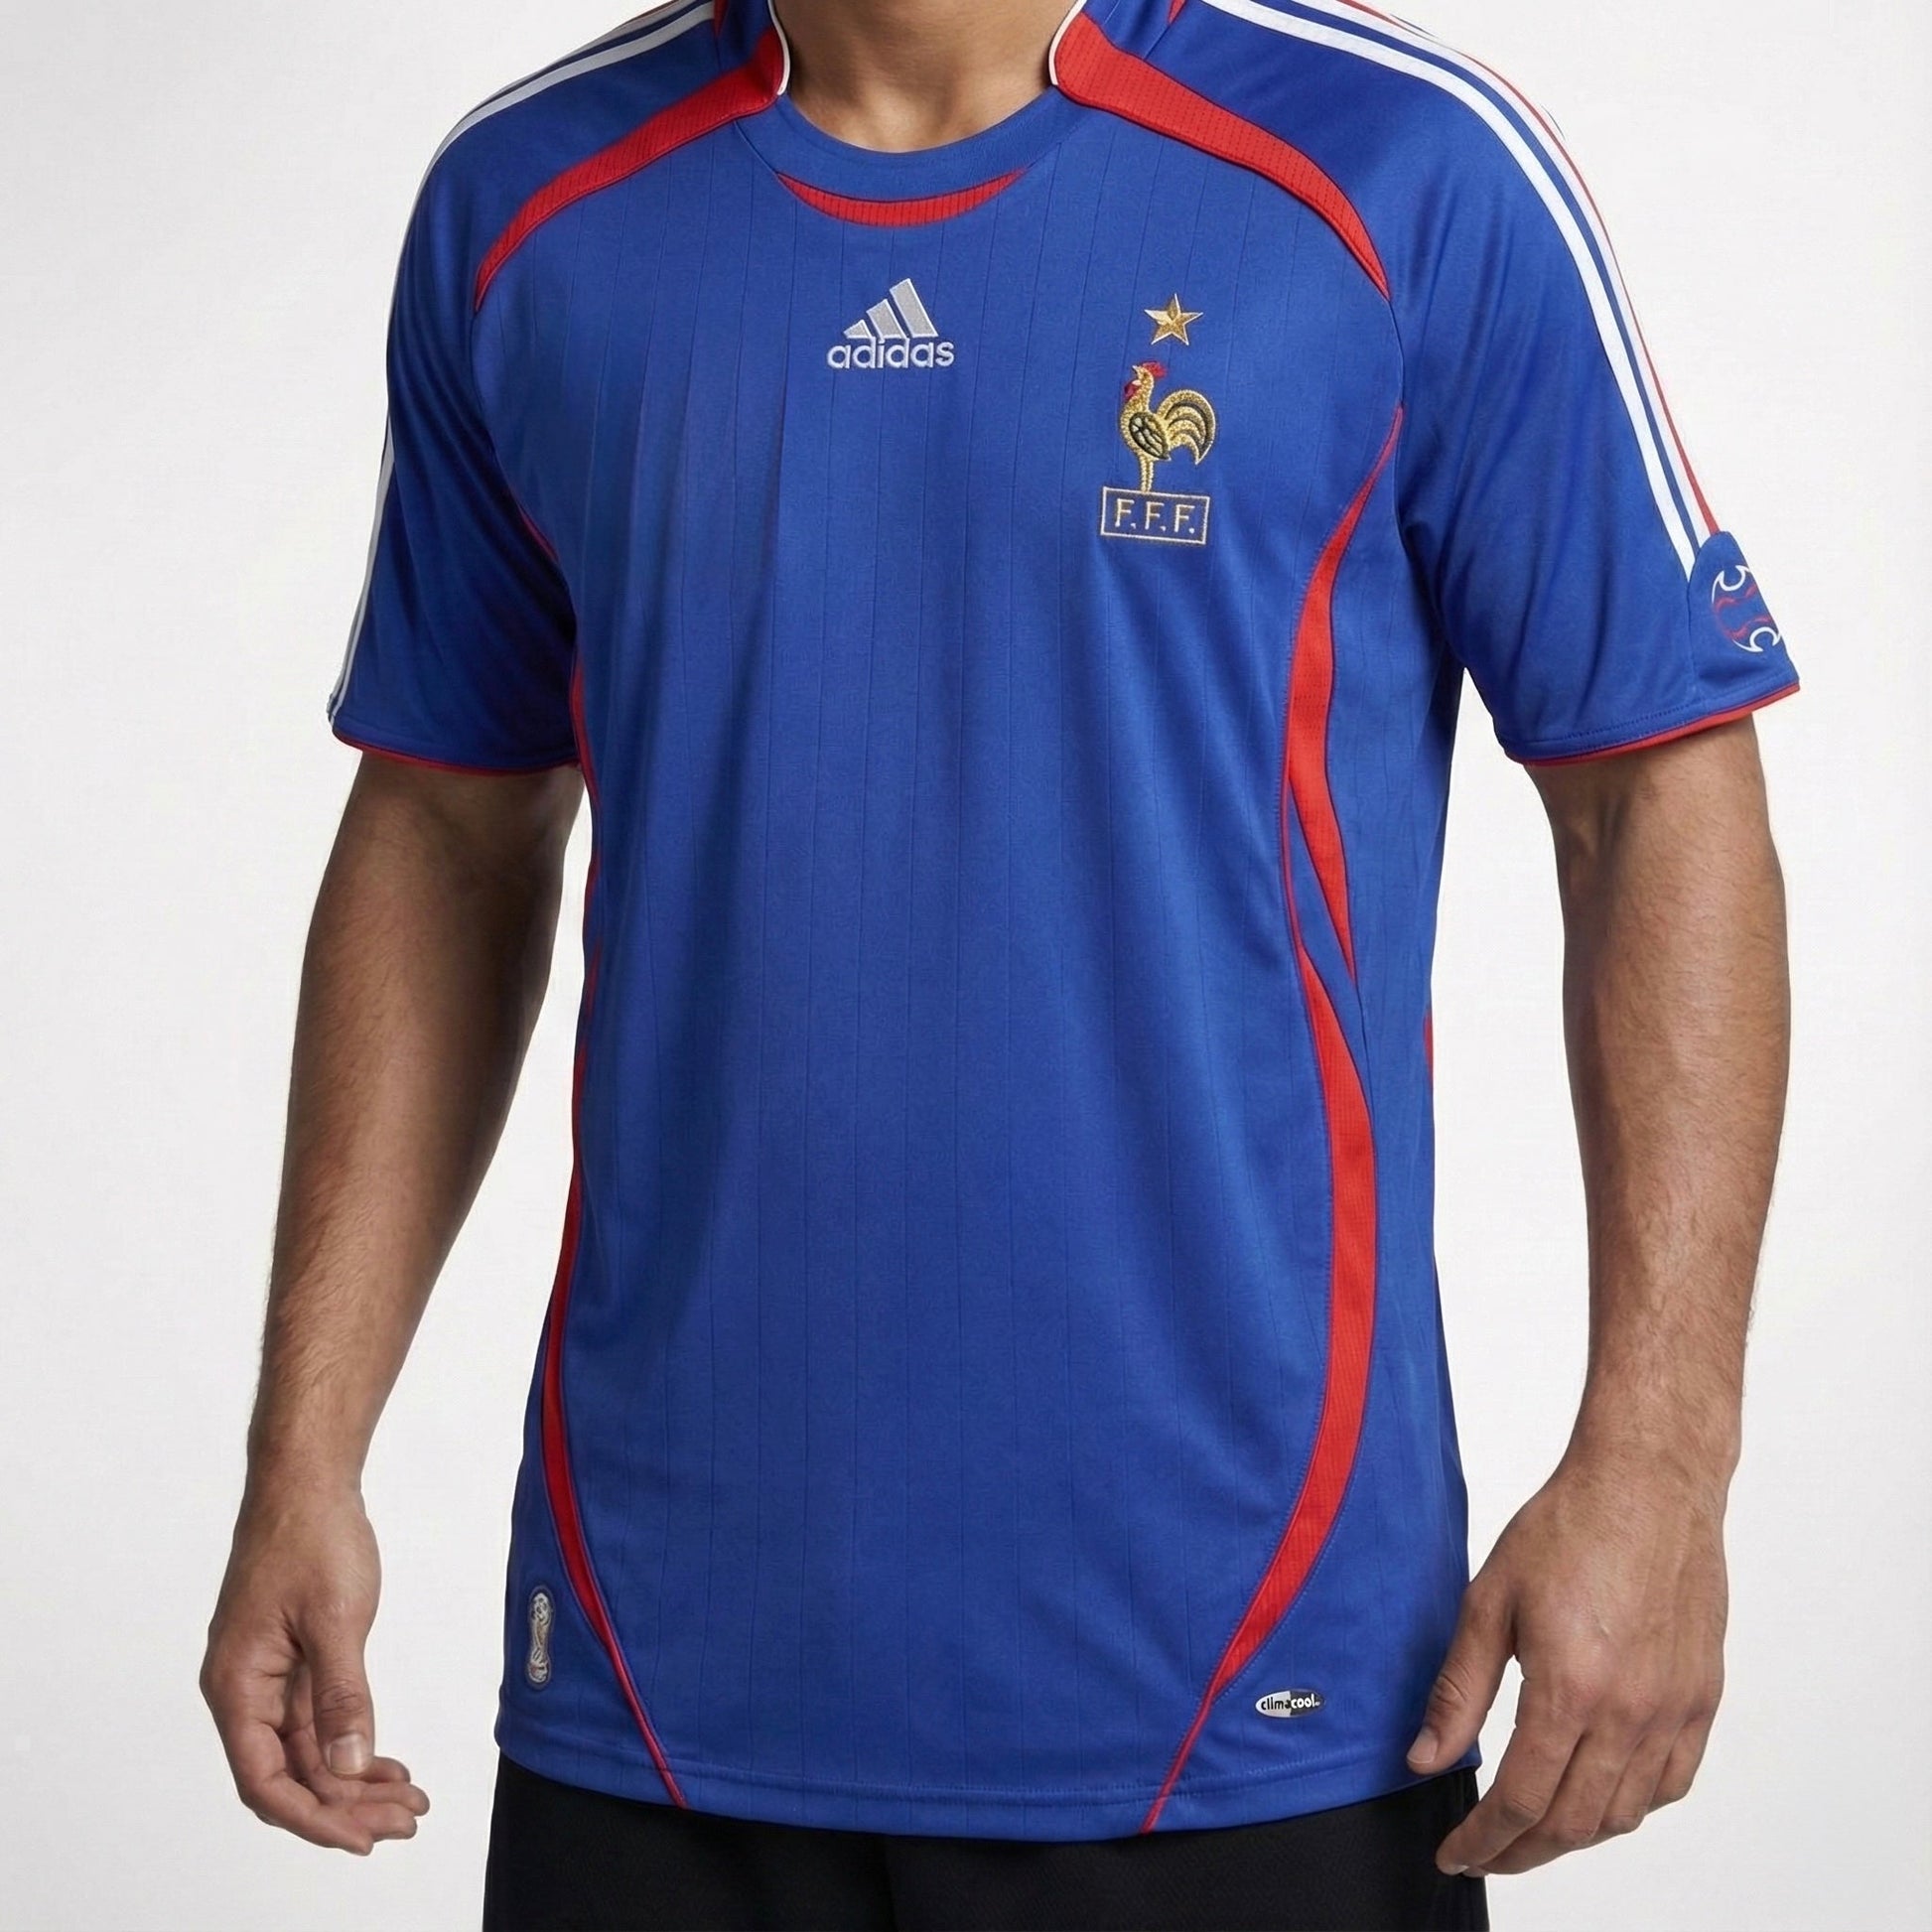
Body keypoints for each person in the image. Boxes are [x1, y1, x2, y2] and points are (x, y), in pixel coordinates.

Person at [201, 1, 1796, 1926]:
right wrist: (304, 1450)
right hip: (659, 1681)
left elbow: (1653, 794)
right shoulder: (528, 201)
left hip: (1247, 1682)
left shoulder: (1400, 168)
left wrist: (1660, 1460)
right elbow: (446, 826)